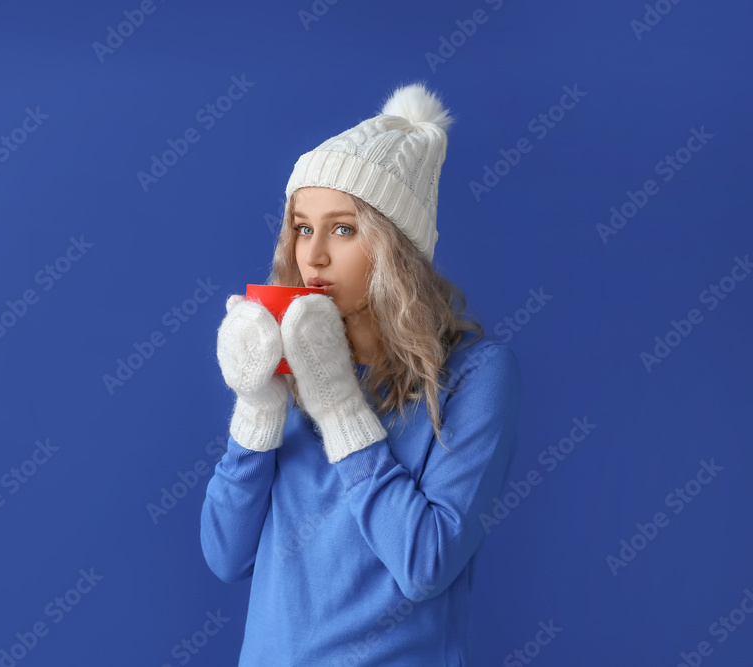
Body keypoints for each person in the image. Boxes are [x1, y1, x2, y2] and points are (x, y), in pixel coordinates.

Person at [200, 81, 521, 666]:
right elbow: (226, 556)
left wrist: (341, 408)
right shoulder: (285, 363)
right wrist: (257, 405)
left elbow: (425, 564)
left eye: (343, 229)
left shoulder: (475, 375)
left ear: (396, 248)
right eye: (303, 226)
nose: (313, 255)